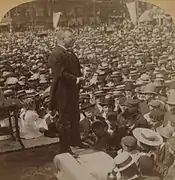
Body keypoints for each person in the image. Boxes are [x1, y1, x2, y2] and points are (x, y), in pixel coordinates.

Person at [48, 28, 87, 153]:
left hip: (72, 90)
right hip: (62, 92)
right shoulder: (56, 54)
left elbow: (75, 69)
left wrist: (80, 78)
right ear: (62, 39)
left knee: (75, 116)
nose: (73, 39)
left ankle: (76, 141)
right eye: (70, 37)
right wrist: (76, 79)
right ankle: (65, 147)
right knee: (64, 120)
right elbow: (60, 73)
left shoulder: (70, 53)